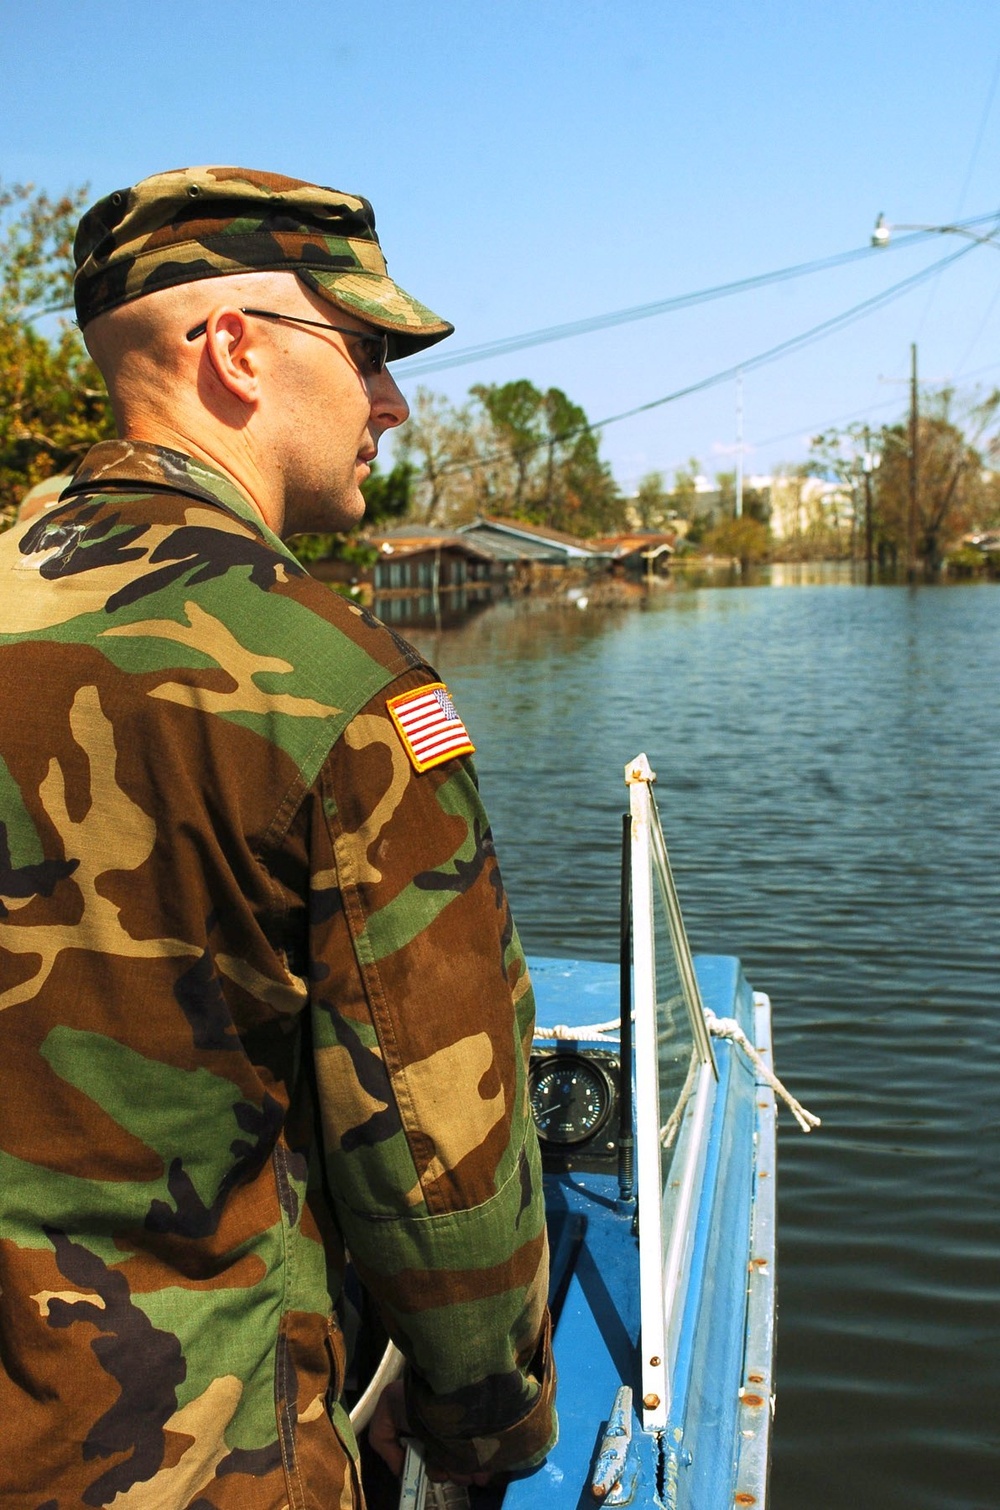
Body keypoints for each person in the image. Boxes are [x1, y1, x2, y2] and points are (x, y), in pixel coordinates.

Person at [0, 167, 555, 1509]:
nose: (393, 403)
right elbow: (440, 1164)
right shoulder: (341, 688)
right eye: (365, 352)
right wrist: (482, 1438)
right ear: (236, 350)